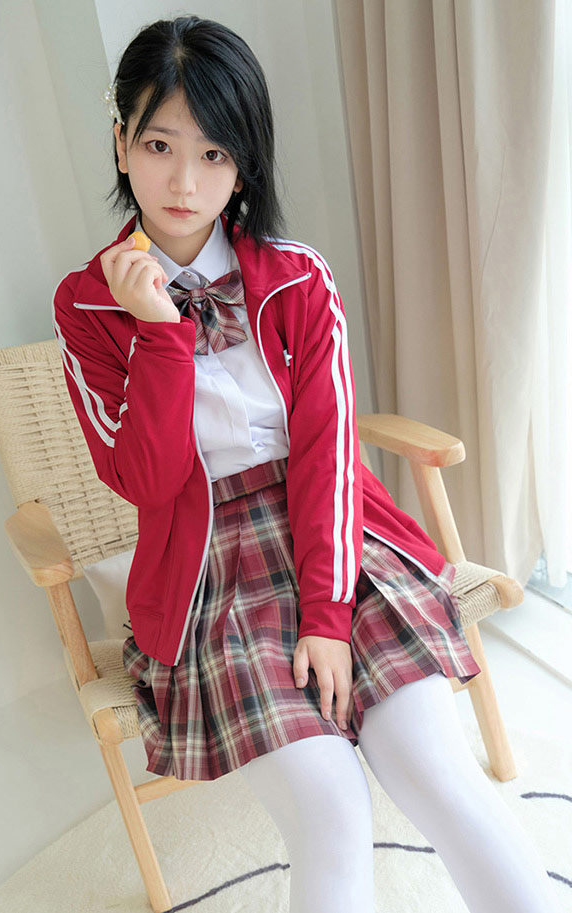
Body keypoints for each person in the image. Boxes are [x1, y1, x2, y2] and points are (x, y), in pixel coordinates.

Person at [52, 15, 561, 913]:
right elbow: (147, 481)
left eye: (214, 153)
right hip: (208, 568)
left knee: (436, 772)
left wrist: (325, 616)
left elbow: (328, 450)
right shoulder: (88, 304)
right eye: (160, 145)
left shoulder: (296, 277)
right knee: (329, 811)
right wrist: (161, 336)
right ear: (120, 141)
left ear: (244, 163)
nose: (184, 181)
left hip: (333, 533)